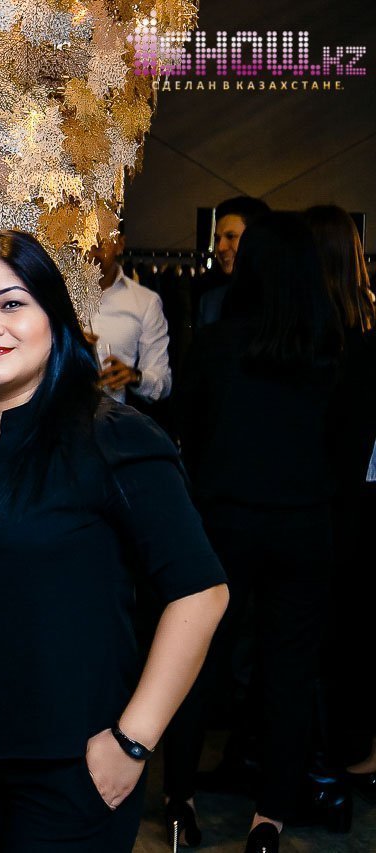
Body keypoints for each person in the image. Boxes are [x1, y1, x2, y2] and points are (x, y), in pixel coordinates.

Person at [0, 230, 228, 852]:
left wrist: (132, 742)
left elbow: (201, 594)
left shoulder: (113, 439)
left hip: (69, 767)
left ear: (55, 319)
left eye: (12, 303)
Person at [169, 212, 346, 852]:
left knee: (200, 661)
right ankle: (268, 820)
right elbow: (343, 451)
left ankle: (180, 802)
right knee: (289, 673)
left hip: (225, 522)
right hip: (305, 526)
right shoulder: (331, 352)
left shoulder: (218, 345)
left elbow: (186, 433)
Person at [304, 204, 376, 796]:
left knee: (334, 633)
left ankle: (348, 753)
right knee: (355, 631)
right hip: (362, 498)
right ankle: (356, 750)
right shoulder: (367, 324)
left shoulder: (325, 336)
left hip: (334, 501)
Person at [86, 229, 172, 406]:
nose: (91, 251)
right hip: (58, 418)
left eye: (100, 243)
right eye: (84, 242)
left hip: (114, 417)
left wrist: (134, 377)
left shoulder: (145, 302)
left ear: (120, 244)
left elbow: (163, 384)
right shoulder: (54, 297)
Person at [194, 197, 271, 328]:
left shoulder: (280, 299)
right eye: (217, 239)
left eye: (231, 236)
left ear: (257, 240)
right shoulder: (210, 302)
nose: (221, 247)